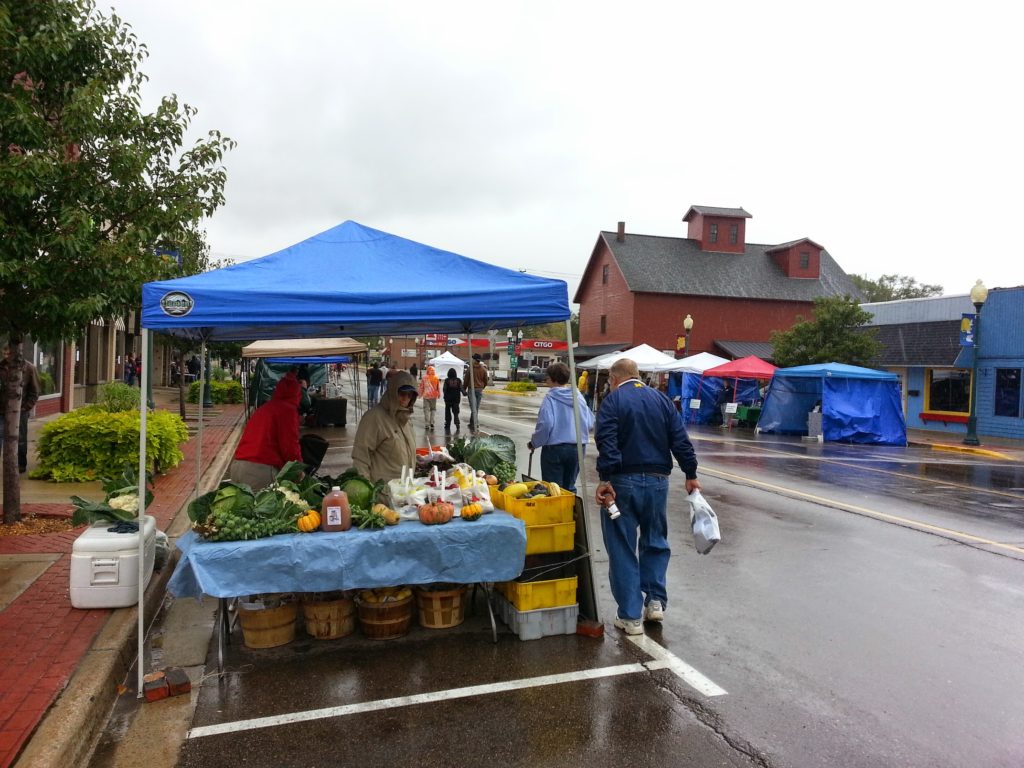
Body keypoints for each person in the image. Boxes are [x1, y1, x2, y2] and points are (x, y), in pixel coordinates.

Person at [594, 357, 701, 636]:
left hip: (622, 481)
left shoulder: (613, 402)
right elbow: (680, 439)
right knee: (655, 540)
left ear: (615, 378)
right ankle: (655, 601)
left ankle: (630, 616)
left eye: (609, 381)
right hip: (657, 481)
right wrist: (690, 473)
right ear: (637, 375)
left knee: (622, 546)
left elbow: (607, 442)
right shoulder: (662, 400)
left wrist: (605, 478)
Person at [230, 372, 304, 490]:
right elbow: (290, 446)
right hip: (259, 470)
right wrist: (298, 469)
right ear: (297, 394)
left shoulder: (266, 407)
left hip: (237, 465)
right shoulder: (287, 411)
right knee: (261, 506)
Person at [528, 362, 594, 493]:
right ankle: (570, 512)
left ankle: (556, 513)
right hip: (578, 448)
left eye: (547, 377)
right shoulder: (578, 397)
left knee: (553, 489)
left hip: (555, 449)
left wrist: (534, 443)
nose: (546, 380)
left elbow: (545, 425)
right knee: (569, 488)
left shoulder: (550, 398)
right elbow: (590, 423)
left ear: (552, 379)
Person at [352, 371, 418, 483]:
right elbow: (361, 458)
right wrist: (368, 491)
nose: (405, 398)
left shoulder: (406, 420)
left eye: (410, 395)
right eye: (402, 393)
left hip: (404, 492)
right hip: (382, 493)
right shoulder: (374, 417)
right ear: (393, 392)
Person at [0, 343, 41, 473]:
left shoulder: (29, 368)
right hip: (1, 410)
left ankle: (21, 465)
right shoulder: (0, 367)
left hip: (20, 411)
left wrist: (25, 408)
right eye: (4, 353)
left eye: (9, 354)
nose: (6, 356)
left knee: (20, 438)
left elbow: (35, 391)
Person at [464, 354, 489, 431]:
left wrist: (464, 389)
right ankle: (472, 422)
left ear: (474, 360)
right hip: (479, 389)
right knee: (476, 407)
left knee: (473, 407)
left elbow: (466, 380)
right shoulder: (483, 369)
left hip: (472, 389)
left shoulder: (470, 369)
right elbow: (486, 381)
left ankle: (475, 423)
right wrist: (482, 387)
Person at [417, 365, 440, 432]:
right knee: (433, 409)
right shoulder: (436, 378)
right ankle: (432, 422)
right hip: (434, 396)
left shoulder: (424, 378)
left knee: (426, 409)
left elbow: (421, 387)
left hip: (426, 396)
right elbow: (438, 387)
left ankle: (427, 423)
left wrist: (420, 394)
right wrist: (439, 394)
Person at [442, 367, 462, 433]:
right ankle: (457, 424)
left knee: (447, 412)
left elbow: (444, 389)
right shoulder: (459, 380)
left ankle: (447, 424)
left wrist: (444, 396)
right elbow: (462, 389)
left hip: (448, 399)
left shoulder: (447, 380)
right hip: (456, 399)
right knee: (456, 413)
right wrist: (465, 393)